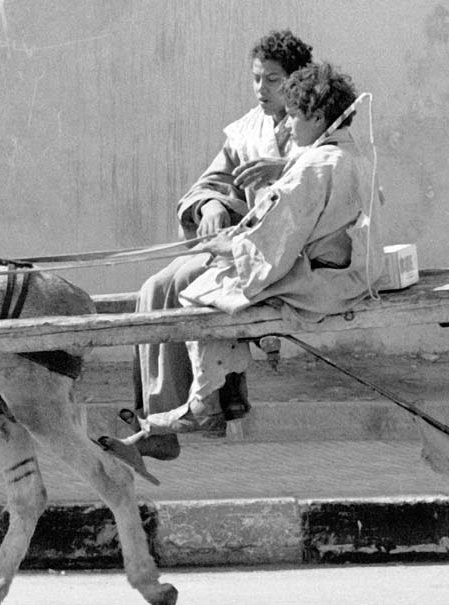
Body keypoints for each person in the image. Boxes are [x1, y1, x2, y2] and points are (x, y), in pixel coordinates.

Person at [109, 61, 382, 470]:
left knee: (203, 291)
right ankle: (189, 402)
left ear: (318, 116)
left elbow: (275, 240)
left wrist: (231, 248)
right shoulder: (348, 153)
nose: (288, 127)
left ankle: (206, 402)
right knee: (200, 281)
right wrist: (220, 215)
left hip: (320, 280)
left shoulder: (313, 166)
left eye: (293, 116)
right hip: (343, 272)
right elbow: (276, 224)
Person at [126, 29, 315, 463]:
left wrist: (285, 166)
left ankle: (204, 405)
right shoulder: (247, 130)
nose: (261, 89)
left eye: (273, 79)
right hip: (239, 244)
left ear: (296, 80)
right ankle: (157, 418)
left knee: (186, 285)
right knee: (153, 287)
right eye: (256, 78)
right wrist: (211, 203)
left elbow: (331, 172)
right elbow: (210, 182)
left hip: (282, 254)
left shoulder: (317, 123)